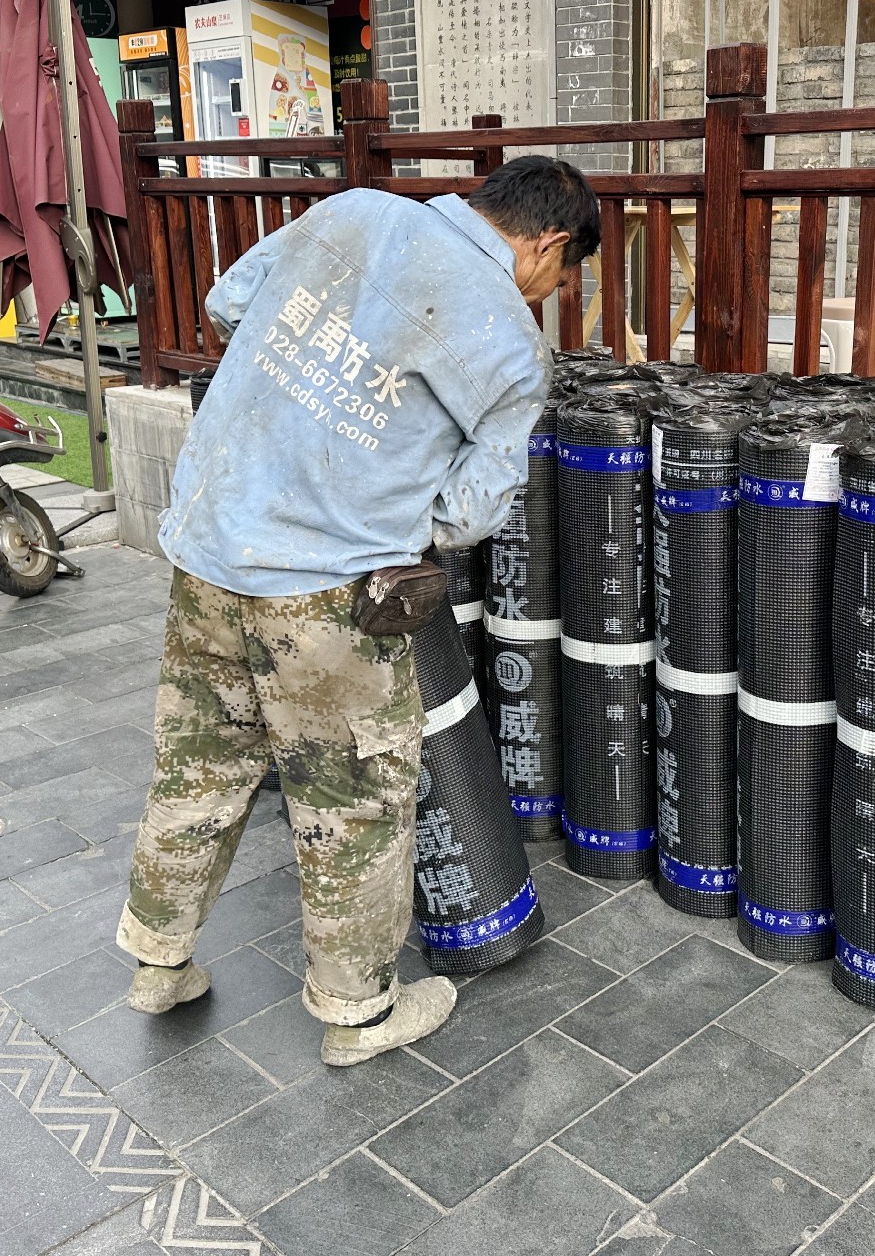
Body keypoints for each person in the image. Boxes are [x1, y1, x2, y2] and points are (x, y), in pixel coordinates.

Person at [118, 155, 600, 1067]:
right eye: (563, 278)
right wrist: (387, 504)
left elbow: (229, 304)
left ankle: (157, 961)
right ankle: (359, 1014)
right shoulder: (509, 344)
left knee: (199, 764)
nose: (551, 293)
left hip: (211, 543)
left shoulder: (353, 214)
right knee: (351, 799)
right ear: (550, 242)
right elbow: (471, 512)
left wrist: (298, 408)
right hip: (327, 592)